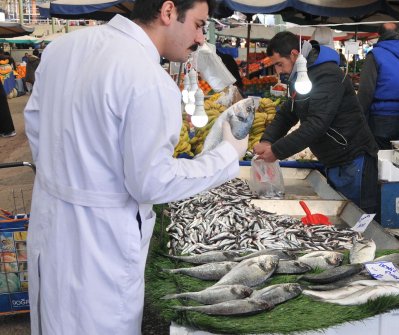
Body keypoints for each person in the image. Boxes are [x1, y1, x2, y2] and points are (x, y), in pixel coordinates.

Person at [23, 0, 248, 333]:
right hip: (101, 242)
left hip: (49, 218)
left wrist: (70, 174)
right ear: (168, 11)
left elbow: (35, 123)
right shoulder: (148, 80)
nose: (201, 39)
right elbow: (151, 183)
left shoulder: (61, 49)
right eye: (200, 24)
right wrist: (227, 154)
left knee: (54, 319)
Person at [253, 32, 379, 213]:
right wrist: (267, 140)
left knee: (357, 216)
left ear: (295, 55)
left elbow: (317, 124)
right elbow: (289, 112)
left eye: (280, 64)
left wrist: (277, 151)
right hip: (334, 159)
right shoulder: (302, 76)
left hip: (353, 159)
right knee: (342, 214)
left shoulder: (327, 75)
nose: (278, 71)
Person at [357, 22, 399, 150]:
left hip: (380, 121)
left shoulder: (375, 55)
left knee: (380, 164)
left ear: (379, 34)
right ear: (398, 32)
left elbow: (365, 92)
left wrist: (360, 122)